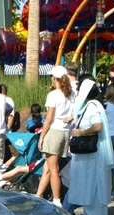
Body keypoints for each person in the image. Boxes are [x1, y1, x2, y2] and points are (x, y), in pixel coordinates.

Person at [66, 78, 114, 215]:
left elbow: (97, 126)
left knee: (94, 186)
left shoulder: (92, 107)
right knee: (92, 186)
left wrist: (80, 132)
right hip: (91, 156)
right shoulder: (94, 105)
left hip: (93, 156)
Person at [35, 66, 75, 207]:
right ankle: (38, 195)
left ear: (55, 78)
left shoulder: (53, 95)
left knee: (53, 169)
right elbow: (74, 114)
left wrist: (42, 136)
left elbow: (49, 118)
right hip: (65, 132)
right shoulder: (71, 94)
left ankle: (57, 200)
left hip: (54, 131)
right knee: (49, 167)